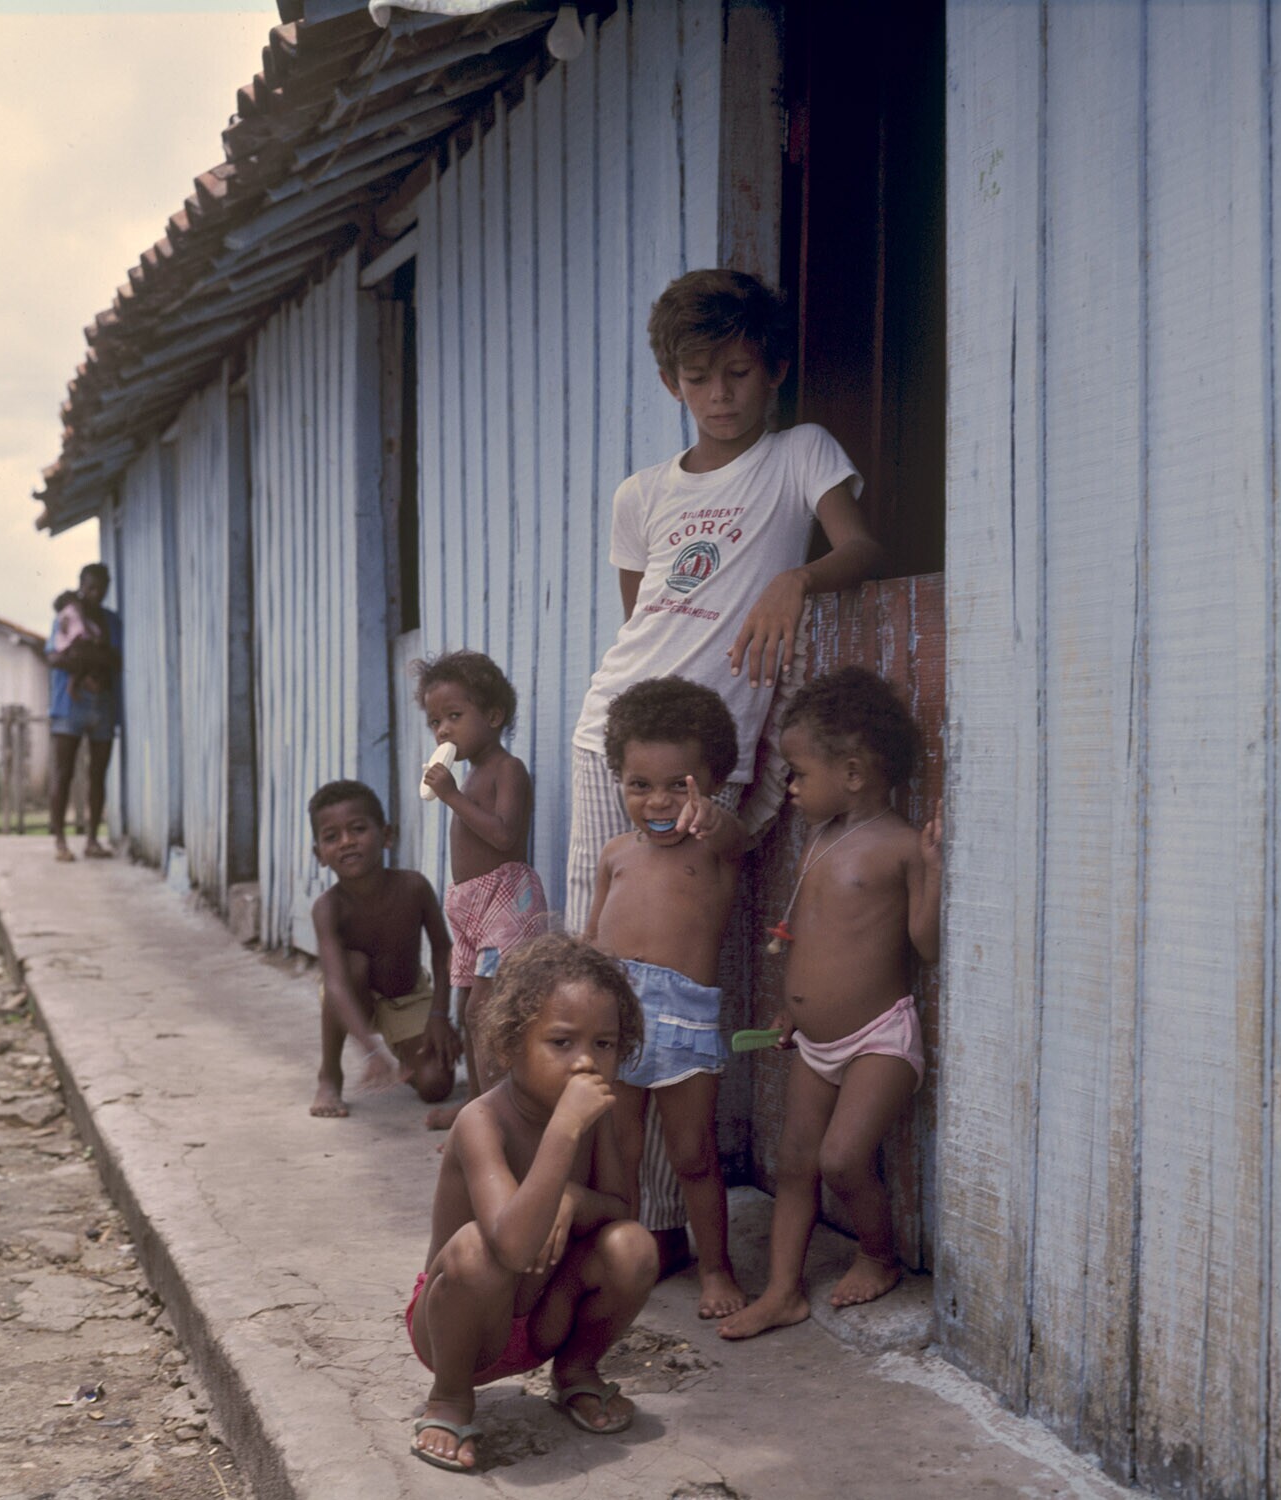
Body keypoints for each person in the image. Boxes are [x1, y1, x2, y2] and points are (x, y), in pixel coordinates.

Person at [567, 267, 885, 1262]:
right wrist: (635, 755)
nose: (720, 394)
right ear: (671, 382)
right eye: (698, 376)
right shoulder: (641, 494)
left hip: (716, 757)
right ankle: (594, 1204)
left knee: (677, 971)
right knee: (598, 970)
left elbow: (861, 546)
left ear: (773, 371)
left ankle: (664, 1223)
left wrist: (797, 577)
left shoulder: (800, 454)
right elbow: (645, 624)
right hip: (614, 743)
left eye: (739, 373)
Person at [718, 667, 941, 1340]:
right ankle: (782, 1291)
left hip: (878, 1038)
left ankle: (879, 1254)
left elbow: (925, 946)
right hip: (812, 1041)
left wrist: (933, 872)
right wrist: (794, 1009)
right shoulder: (819, 837)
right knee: (795, 1162)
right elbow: (814, 937)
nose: (790, 787)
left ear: (852, 774)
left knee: (841, 1159)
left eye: (799, 773)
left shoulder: (901, 847)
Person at [406, 933, 657, 1474]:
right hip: (461, 1327)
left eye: (604, 1044)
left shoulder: (597, 1117)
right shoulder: (481, 1122)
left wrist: (575, 1197)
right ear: (509, 1046)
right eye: (561, 1042)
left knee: (633, 1247)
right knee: (475, 1249)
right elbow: (512, 1247)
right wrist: (564, 1130)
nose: (585, 1062)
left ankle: (576, 1372)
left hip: (546, 1314)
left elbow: (621, 1209)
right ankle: (449, 1399)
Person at [585, 677, 747, 1319]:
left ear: (711, 783)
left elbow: (734, 835)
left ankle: (716, 1269)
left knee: (693, 1154)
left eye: (678, 786)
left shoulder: (716, 851)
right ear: (618, 781)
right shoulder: (615, 854)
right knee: (618, 1151)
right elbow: (594, 941)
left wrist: (713, 817)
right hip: (616, 1014)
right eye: (639, 784)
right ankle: (624, 1262)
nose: (657, 801)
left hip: (685, 1020)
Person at [414, 651, 548, 1130]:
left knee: (484, 1010)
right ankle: (477, 1105)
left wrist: (451, 796)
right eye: (435, 722)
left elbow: (505, 835)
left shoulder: (507, 769)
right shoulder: (470, 773)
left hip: (506, 905)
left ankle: (497, 1120)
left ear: (493, 716)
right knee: (467, 1009)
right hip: (472, 907)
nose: (443, 731)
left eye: (454, 716)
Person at [307, 779, 462, 1118]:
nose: (347, 842)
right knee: (351, 967)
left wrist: (439, 1015)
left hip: (406, 995)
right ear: (320, 855)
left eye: (358, 829)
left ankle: (407, 1056)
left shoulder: (413, 887)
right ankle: (329, 1074)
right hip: (353, 995)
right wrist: (370, 1051)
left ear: (387, 835)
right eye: (332, 837)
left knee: (436, 1085)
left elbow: (442, 950)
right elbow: (336, 984)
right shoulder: (328, 908)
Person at [45, 563, 123, 862]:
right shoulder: (67, 616)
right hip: (69, 706)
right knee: (63, 772)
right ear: (81, 586)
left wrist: (87, 657)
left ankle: (92, 840)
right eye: (91, 587)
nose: (96, 593)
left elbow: (116, 660)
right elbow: (54, 656)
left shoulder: (111, 621)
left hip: (102, 704)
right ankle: (60, 842)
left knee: (98, 774)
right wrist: (90, 660)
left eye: (101, 588)